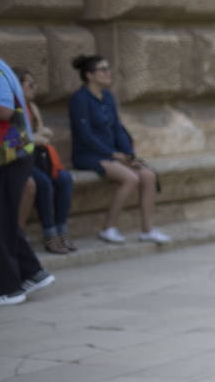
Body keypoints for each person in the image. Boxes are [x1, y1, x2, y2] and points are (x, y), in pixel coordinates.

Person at [0, 28, 54, 307]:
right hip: (13, 155)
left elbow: (1, 111)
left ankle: (5, 289)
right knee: (0, 222)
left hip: (1, 159)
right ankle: (32, 273)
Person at [68, 54, 171, 245]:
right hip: (89, 155)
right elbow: (85, 135)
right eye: (103, 69)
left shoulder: (108, 96)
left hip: (113, 155)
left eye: (108, 68)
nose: (108, 73)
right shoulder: (79, 99)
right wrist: (113, 154)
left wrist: (128, 154)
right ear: (89, 75)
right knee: (130, 178)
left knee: (148, 175)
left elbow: (117, 127)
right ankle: (109, 228)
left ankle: (147, 230)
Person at [15, 68, 77, 254]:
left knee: (65, 178)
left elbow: (40, 133)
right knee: (43, 183)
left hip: (39, 157)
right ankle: (49, 235)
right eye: (30, 85)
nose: (34, 88)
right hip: (20, 160)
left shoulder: (32, 107)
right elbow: (13, 141)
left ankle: (61, 231)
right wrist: (35, 137)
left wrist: (41, 134)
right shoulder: (10, 109)